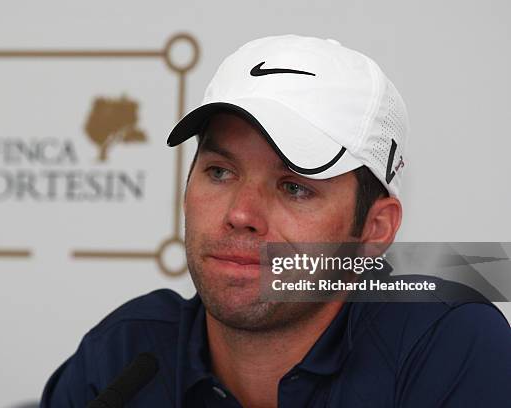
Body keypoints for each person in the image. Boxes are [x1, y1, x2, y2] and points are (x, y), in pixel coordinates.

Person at [41, 36, 511, 407]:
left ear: (374, 230)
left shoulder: (449, 346)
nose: (240, 215)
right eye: (220, 172)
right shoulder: (123, 354)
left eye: (294, 187)